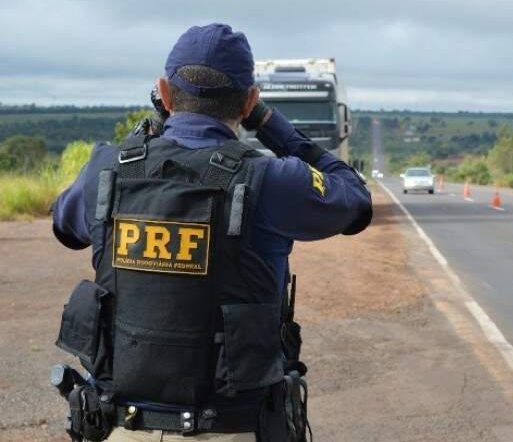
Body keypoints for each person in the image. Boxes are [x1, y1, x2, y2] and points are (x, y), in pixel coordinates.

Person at [51, 23, 372, 442]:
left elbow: (65, 226)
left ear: (164, 94)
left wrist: (148, 129)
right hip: (233, 428)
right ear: (249, 102)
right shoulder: (272, 179)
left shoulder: (105, 170)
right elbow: (355, 199)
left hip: (122, 426)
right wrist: (271, 126)